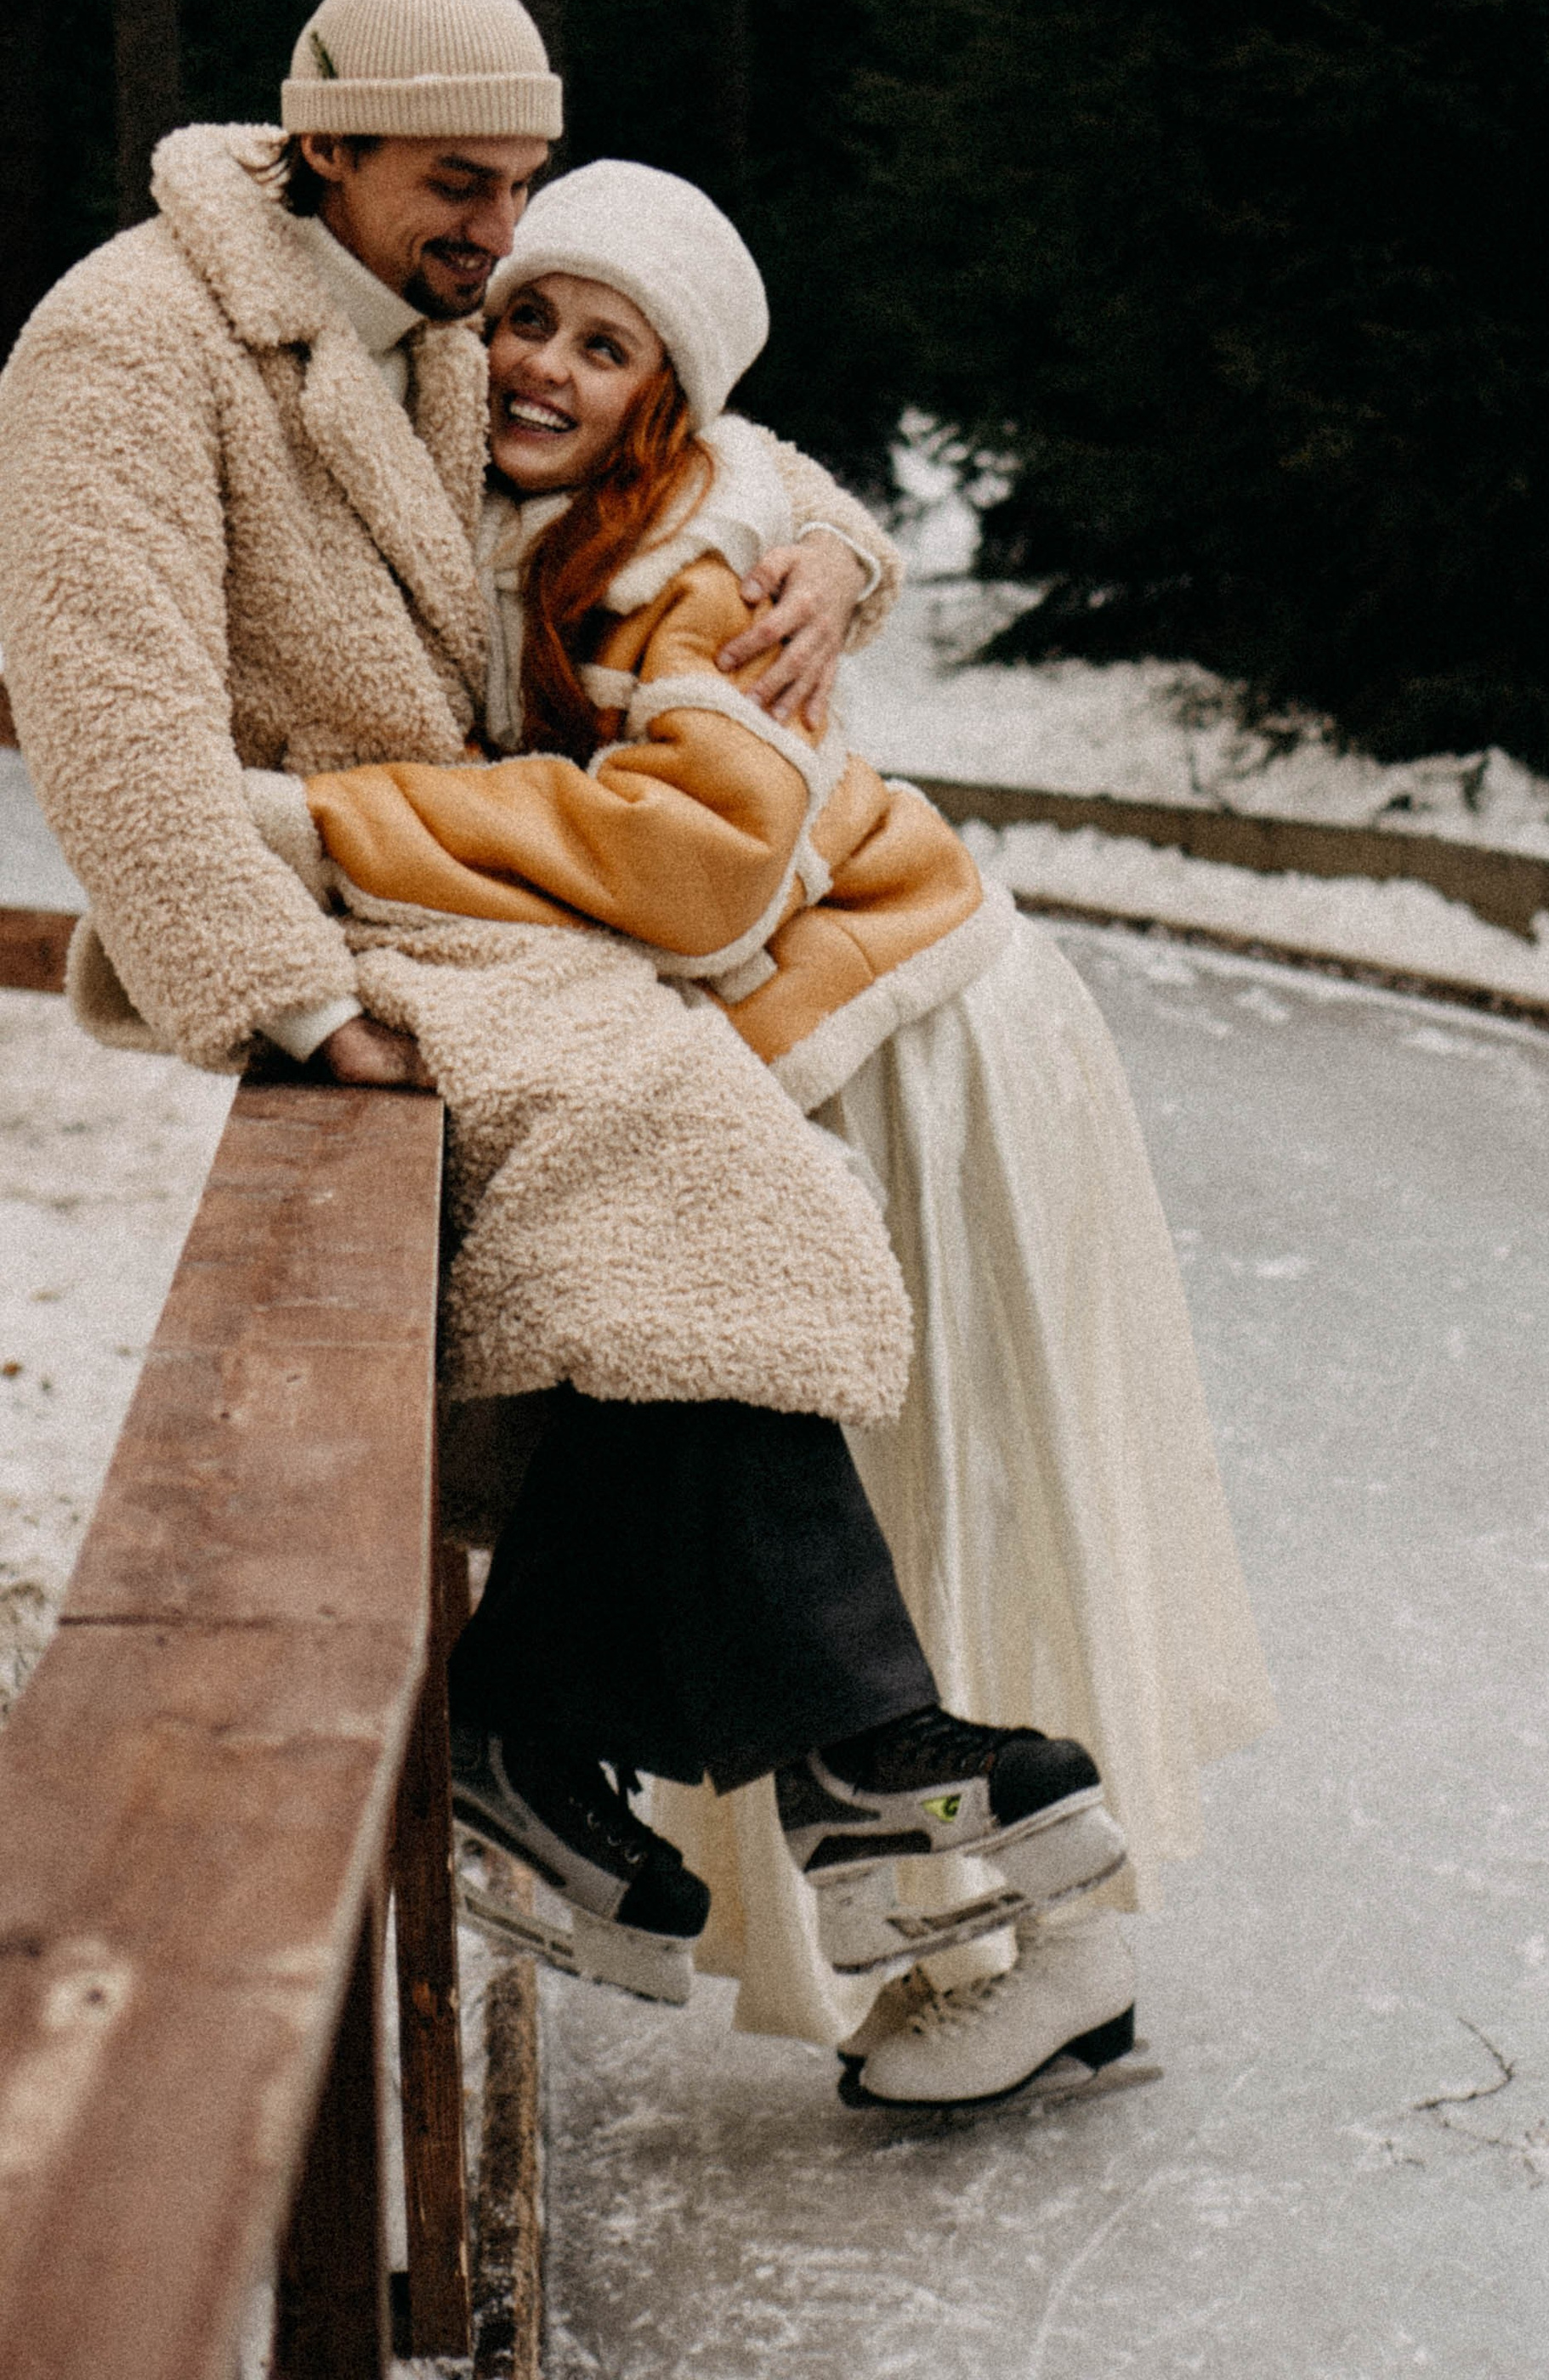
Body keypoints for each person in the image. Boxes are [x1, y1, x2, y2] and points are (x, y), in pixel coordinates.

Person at [0, 0, 1128, 2067]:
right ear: (323, 140)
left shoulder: (438, 316)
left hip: (483, 902)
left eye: (521, 191)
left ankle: (582, 1738)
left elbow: (693, 444)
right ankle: (840, 1744)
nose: (502, 241)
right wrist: (280, 1000)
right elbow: (111, 723)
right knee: (686, 1156)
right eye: (460, 187)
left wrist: (837, 557)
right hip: (326, 914)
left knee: (674, 1206)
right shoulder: (123, 345)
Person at [291, 157, 1274, 2106]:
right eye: (525, 316)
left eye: (603, 342)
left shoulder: (679, 564)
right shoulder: (574, 511)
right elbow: (772, 463)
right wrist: (841, 536)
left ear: (666, 396)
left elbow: (706, 874)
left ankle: (1028, 1939)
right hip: (831, 1026)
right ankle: (671, 1772)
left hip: (908, 1032)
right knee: (740, 1374)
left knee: (948, 1470)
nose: (544, 364)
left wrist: (337, 824)